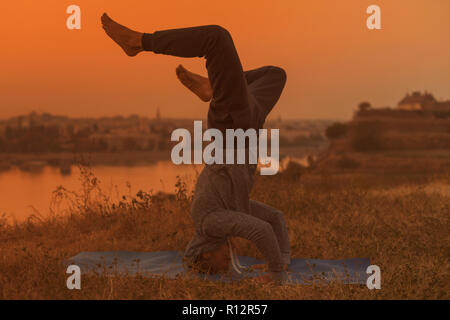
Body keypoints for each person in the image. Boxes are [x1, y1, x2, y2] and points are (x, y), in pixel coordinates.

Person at [101, 13, 290, 283]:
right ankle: (213, 87)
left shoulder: (211, 223)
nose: (230, 257)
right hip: (246, 129)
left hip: (231, 128)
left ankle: (138, 42)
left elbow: (261, 230)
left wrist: (274, 274)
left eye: (224, 261)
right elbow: (274, 218)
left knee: (216, 38)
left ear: (205, 255)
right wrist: (282, 260)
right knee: (275, 75)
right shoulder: (229, 211)